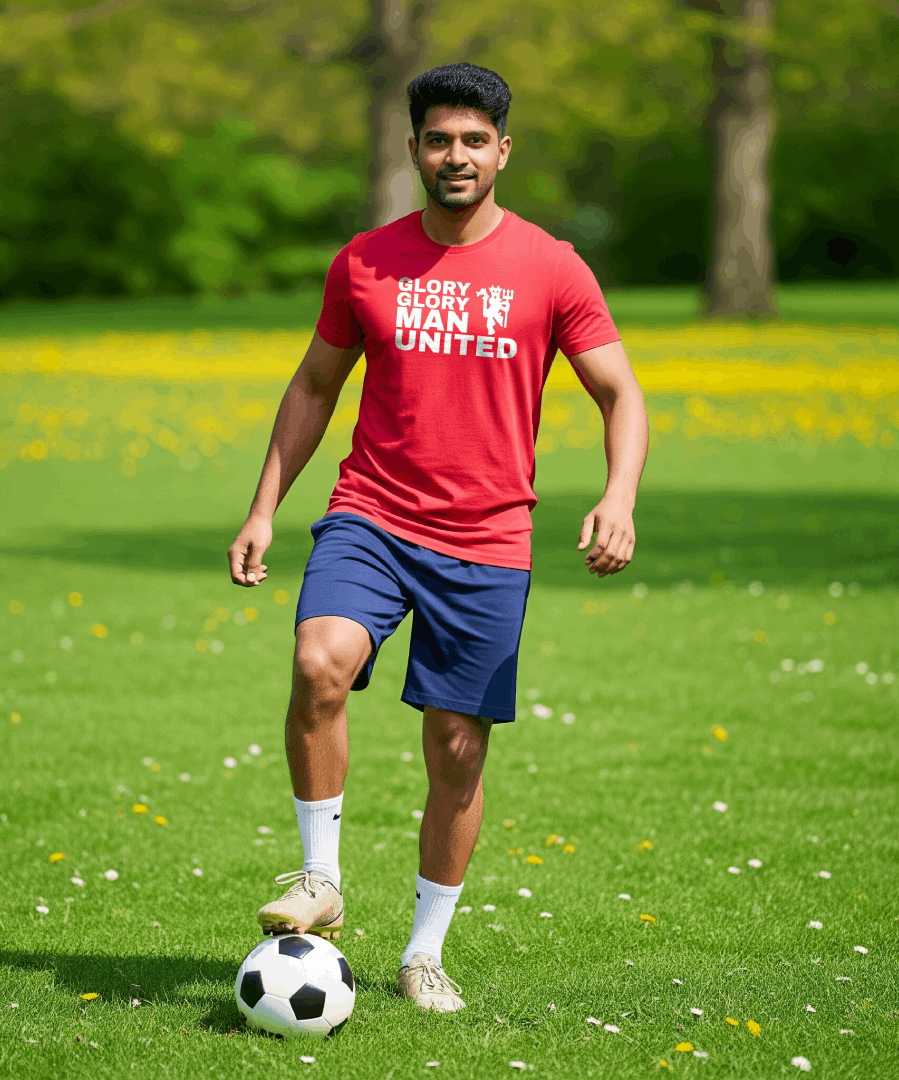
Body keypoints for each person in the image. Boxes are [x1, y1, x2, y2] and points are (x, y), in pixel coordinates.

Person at [227, 62, 648, 1012]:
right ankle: (321, 881)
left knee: (456, 749)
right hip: (371, 514)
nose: (453, 156)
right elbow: (315, 387)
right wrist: (264, 507)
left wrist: (618, 495)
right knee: (317, 661)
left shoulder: (552, 266)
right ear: (412, 148)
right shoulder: (365, 260)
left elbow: (621, 393)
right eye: (436, 140)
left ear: (502, 149)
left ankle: (423, 952)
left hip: (489, 537)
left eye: (471, 140)